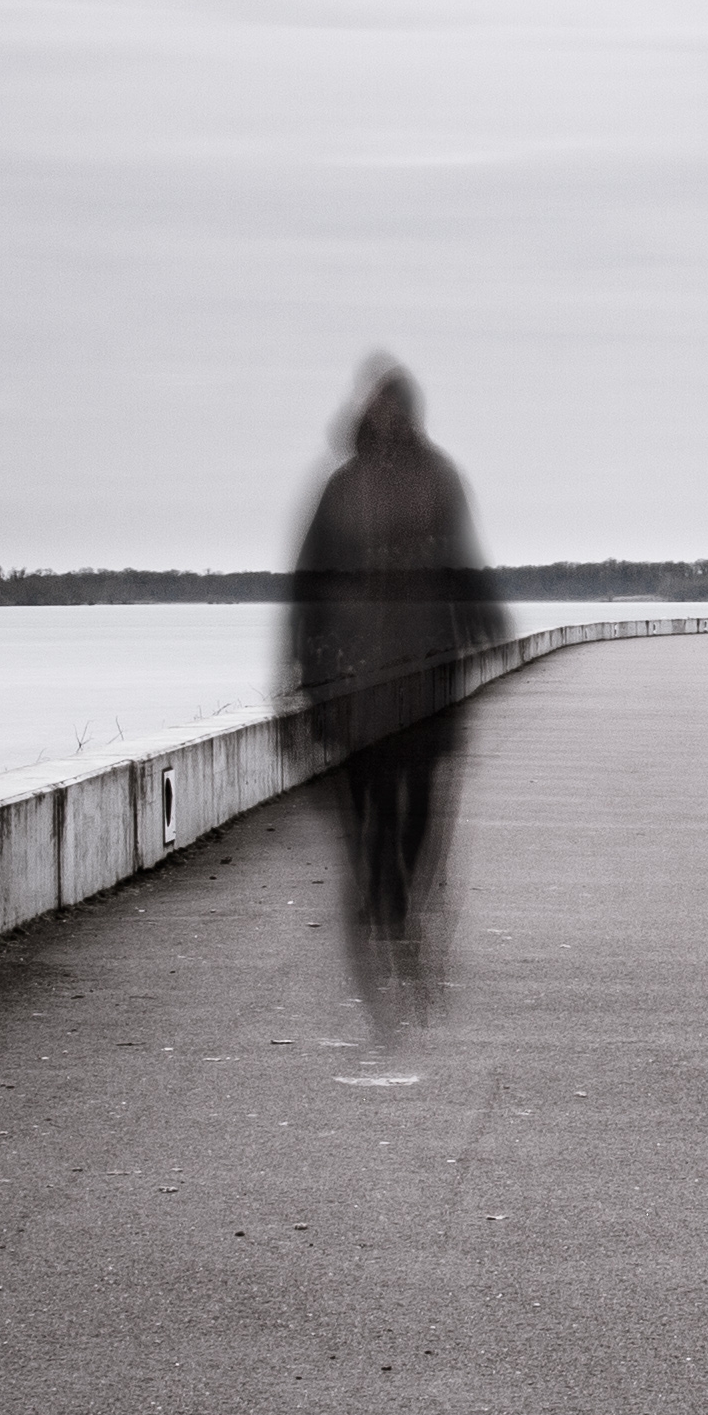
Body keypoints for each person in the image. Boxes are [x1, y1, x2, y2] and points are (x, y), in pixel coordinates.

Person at [285, 355, 504, 998]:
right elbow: (308, 580)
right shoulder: (341, 486)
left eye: (398, 407)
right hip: (353, 672)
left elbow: (463, 556)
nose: (389, 418)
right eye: (380, 408)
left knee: (421, 802)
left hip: (427, 664)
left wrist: (484, 616)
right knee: (366, 800)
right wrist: (300, 663)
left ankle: (400, 897)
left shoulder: (438, 477)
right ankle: (381, 891)